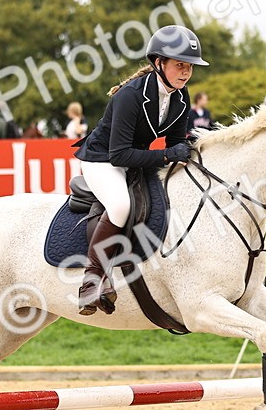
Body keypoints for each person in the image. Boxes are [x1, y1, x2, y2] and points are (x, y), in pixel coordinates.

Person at [72, 24, 206, 316]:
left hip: (135, 158)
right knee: (121, 205)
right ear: (159, 63)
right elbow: (119, 155)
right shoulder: (130, 96)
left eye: (190, 67)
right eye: (179, 65)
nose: (186, 72)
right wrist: (169, 153)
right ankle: (91, 280)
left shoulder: (181, 97)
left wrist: (188, 147)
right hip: (102, 160)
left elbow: (175, 143)